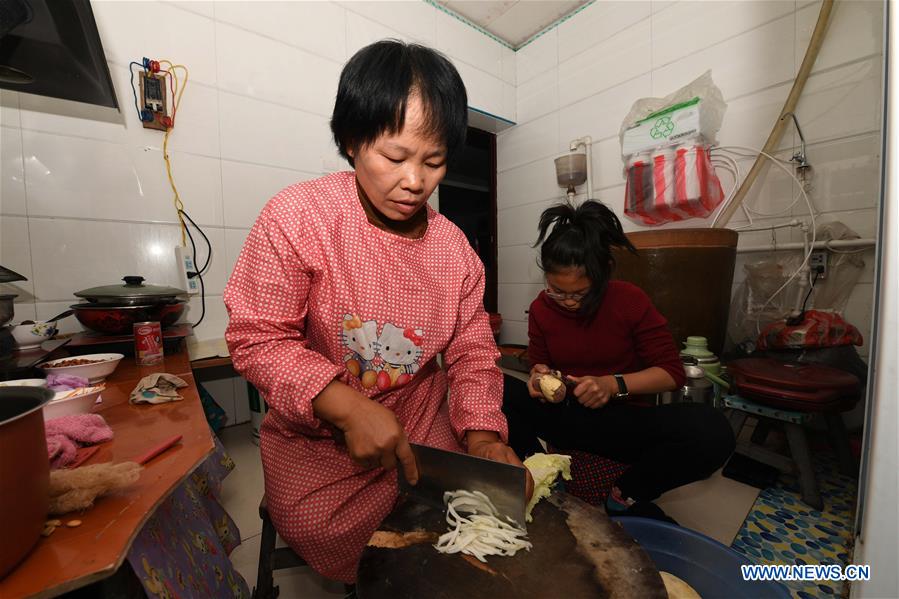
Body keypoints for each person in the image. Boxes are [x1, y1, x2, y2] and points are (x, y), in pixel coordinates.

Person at [224, 40, 527, 583]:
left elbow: (473, 352)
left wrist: (483, 435)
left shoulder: (455, 250)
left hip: (423, 425)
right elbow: (259, 339)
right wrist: (344, 407)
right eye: (394, 157)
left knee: (455, 529)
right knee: (341, 538)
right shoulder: (299, 217)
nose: (415, 182)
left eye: (434, 162)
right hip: (319, 444)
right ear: (351, 140)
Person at [502, 200, 735, 521]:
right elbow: (539, 364)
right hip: (568, 414)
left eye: (580, 293)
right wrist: (539, 378)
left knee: (713, 431)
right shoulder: (542, 309)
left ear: (603, 275)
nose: (568, 302)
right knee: (495, 387)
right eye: (557, 290)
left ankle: (625, 494)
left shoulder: (629, 301)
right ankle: (543, 476)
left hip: (621, 421)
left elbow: (672, 373)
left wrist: (613, 385)